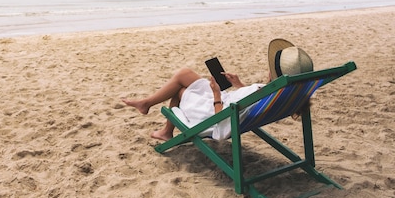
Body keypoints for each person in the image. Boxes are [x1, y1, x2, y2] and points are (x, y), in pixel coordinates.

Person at [122, 39, 313, 141]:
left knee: (180, 90)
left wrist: (215, 93)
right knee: (185, 74)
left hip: (215, 114)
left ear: (273, 74)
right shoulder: (285, 92)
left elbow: (221, 131)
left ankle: (163, 126)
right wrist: (239, 85)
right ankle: (150, 108)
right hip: (228, 103)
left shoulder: (268, 92)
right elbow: (251, 101)